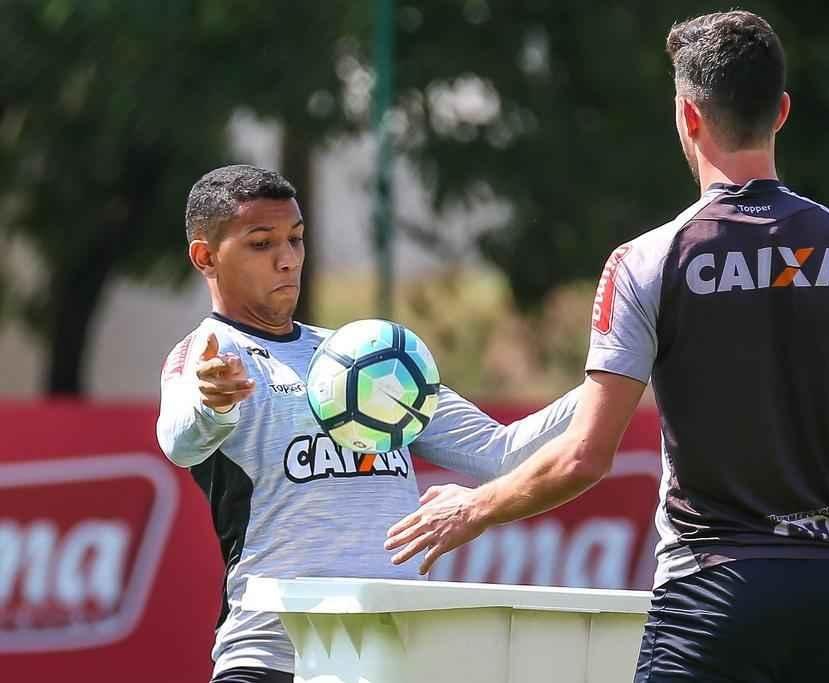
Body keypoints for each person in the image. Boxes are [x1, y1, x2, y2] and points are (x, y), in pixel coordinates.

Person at [386, 10, 829, 683]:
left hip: (711, 591)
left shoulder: (646, 262)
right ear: (781, 111)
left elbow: (586, 455)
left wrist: (474, 506)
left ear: (688, 117)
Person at [156, 164, 578, 683]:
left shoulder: (362, 355)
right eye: (261, 244)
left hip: (388, 656)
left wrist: (620, 369)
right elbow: (179, 440)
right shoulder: (210, 356)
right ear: (205, 257)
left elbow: (503, 453)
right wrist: (212, 403)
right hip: (273, 656)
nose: (287, 260)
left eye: (296, 239)